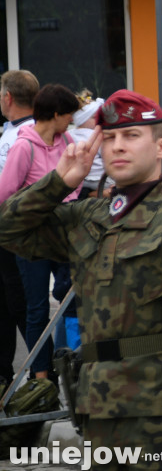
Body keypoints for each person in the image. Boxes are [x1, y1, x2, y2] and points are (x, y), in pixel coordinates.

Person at [0, 90, 162, 471]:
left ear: (161, 146)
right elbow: (9, 229)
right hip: (98, 411)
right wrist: (58, 182)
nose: (118, 147)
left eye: (132, 136)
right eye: (110, 138)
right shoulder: (85, 218)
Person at [0, 83, 80, 381]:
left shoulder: (66, 139)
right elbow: (5, 192)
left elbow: (72, 182)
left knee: (71, 294)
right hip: (32, 237)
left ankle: (70, 364)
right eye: (68, 114)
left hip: (64, 233)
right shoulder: (24, 146)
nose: (71, 120)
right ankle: (41, 377)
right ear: (56, 113)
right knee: (36, 309)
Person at [0, 69, 36, 385]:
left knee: (19, 301)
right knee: (8, 300)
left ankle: (40, 372)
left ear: (8, 97)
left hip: (13, 229)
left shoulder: (20, 137)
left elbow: (6, 188)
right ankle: (4, 371)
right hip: (14, 228)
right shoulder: (17, 131)